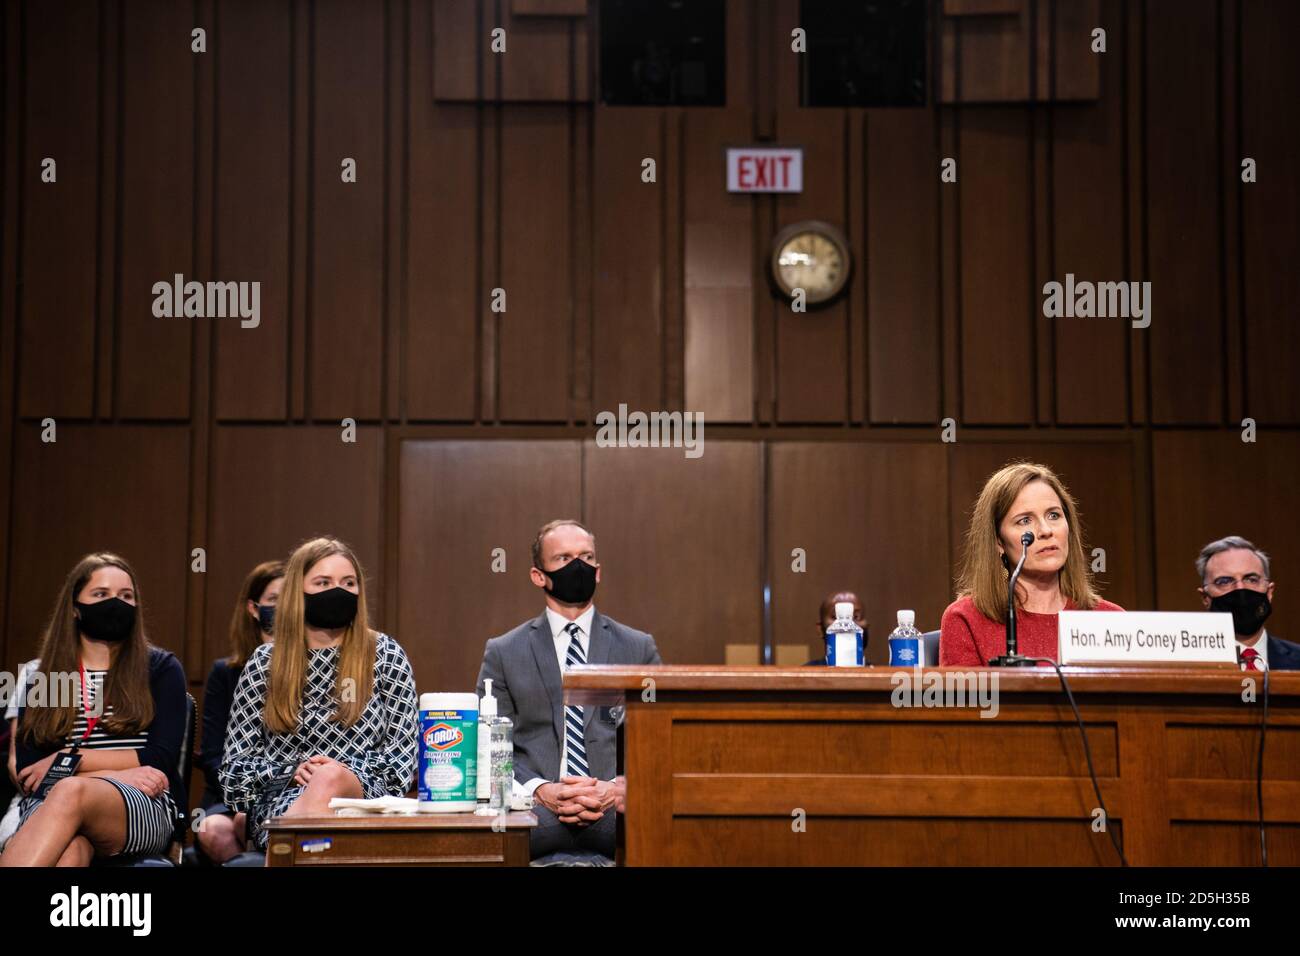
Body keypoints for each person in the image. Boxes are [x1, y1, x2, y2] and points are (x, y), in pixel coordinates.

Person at [477, 519, 661, 861]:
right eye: (563, 559)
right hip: (534, 810)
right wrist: (542, 789)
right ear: (538, 575)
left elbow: (656, 742)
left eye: (586, 557)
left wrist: (617, 787)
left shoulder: (638, 648)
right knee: (485, 845)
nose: (578, 566)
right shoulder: (504, 651)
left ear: (598, 571)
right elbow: (490, 745)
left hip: (613, 810)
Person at [219, 537, 418, 852]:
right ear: (298, 592)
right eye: (323, 582)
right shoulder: (263, 664)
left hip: (365, 801)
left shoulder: (384, 654)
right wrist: (293, 770)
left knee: (329, 778)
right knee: (323, 781)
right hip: (281, 803)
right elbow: (233, 776)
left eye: (348, 582)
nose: (337, 591)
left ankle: (291, 853)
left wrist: (338, 772)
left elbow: (401, 765)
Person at [0, 553, 187, 866]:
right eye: (101, 594)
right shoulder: (45, 676)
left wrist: (67, 761)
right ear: (75, 607)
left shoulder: (160, 669)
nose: (115, 603)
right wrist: (124, 771)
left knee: (72, 791)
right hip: (52, 801)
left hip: (141, 802)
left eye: (126, 596)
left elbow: (160, 759)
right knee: (71, 851)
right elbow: (30, 772)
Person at [940, 462, 1123, 666]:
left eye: (1054, 515)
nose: (1046, 530)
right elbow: (969, 698)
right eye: (1025, 520)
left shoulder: (1111, 620)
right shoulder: (966, 619)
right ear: (998, 542)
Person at [194, 560, 284, 863]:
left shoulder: (315, 668)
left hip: (290, 786)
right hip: (231, 792)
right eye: (274, 600)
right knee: (212, 830)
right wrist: (248, 794)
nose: (283, 607)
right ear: (253, 608)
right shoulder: (227, 672)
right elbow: (212, 754)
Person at [1196, 536, 1300, 671]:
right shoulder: (1187, 665)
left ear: (1269, 592)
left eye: (1251, 579)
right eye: (1224, 581)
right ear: (1205, 597)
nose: (1240, 588)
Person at [805, 590, 866, 665]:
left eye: (856, 616)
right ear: (820, 629)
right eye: (835, 617)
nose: (845, 626)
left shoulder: (880, 674)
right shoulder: (805, 673)